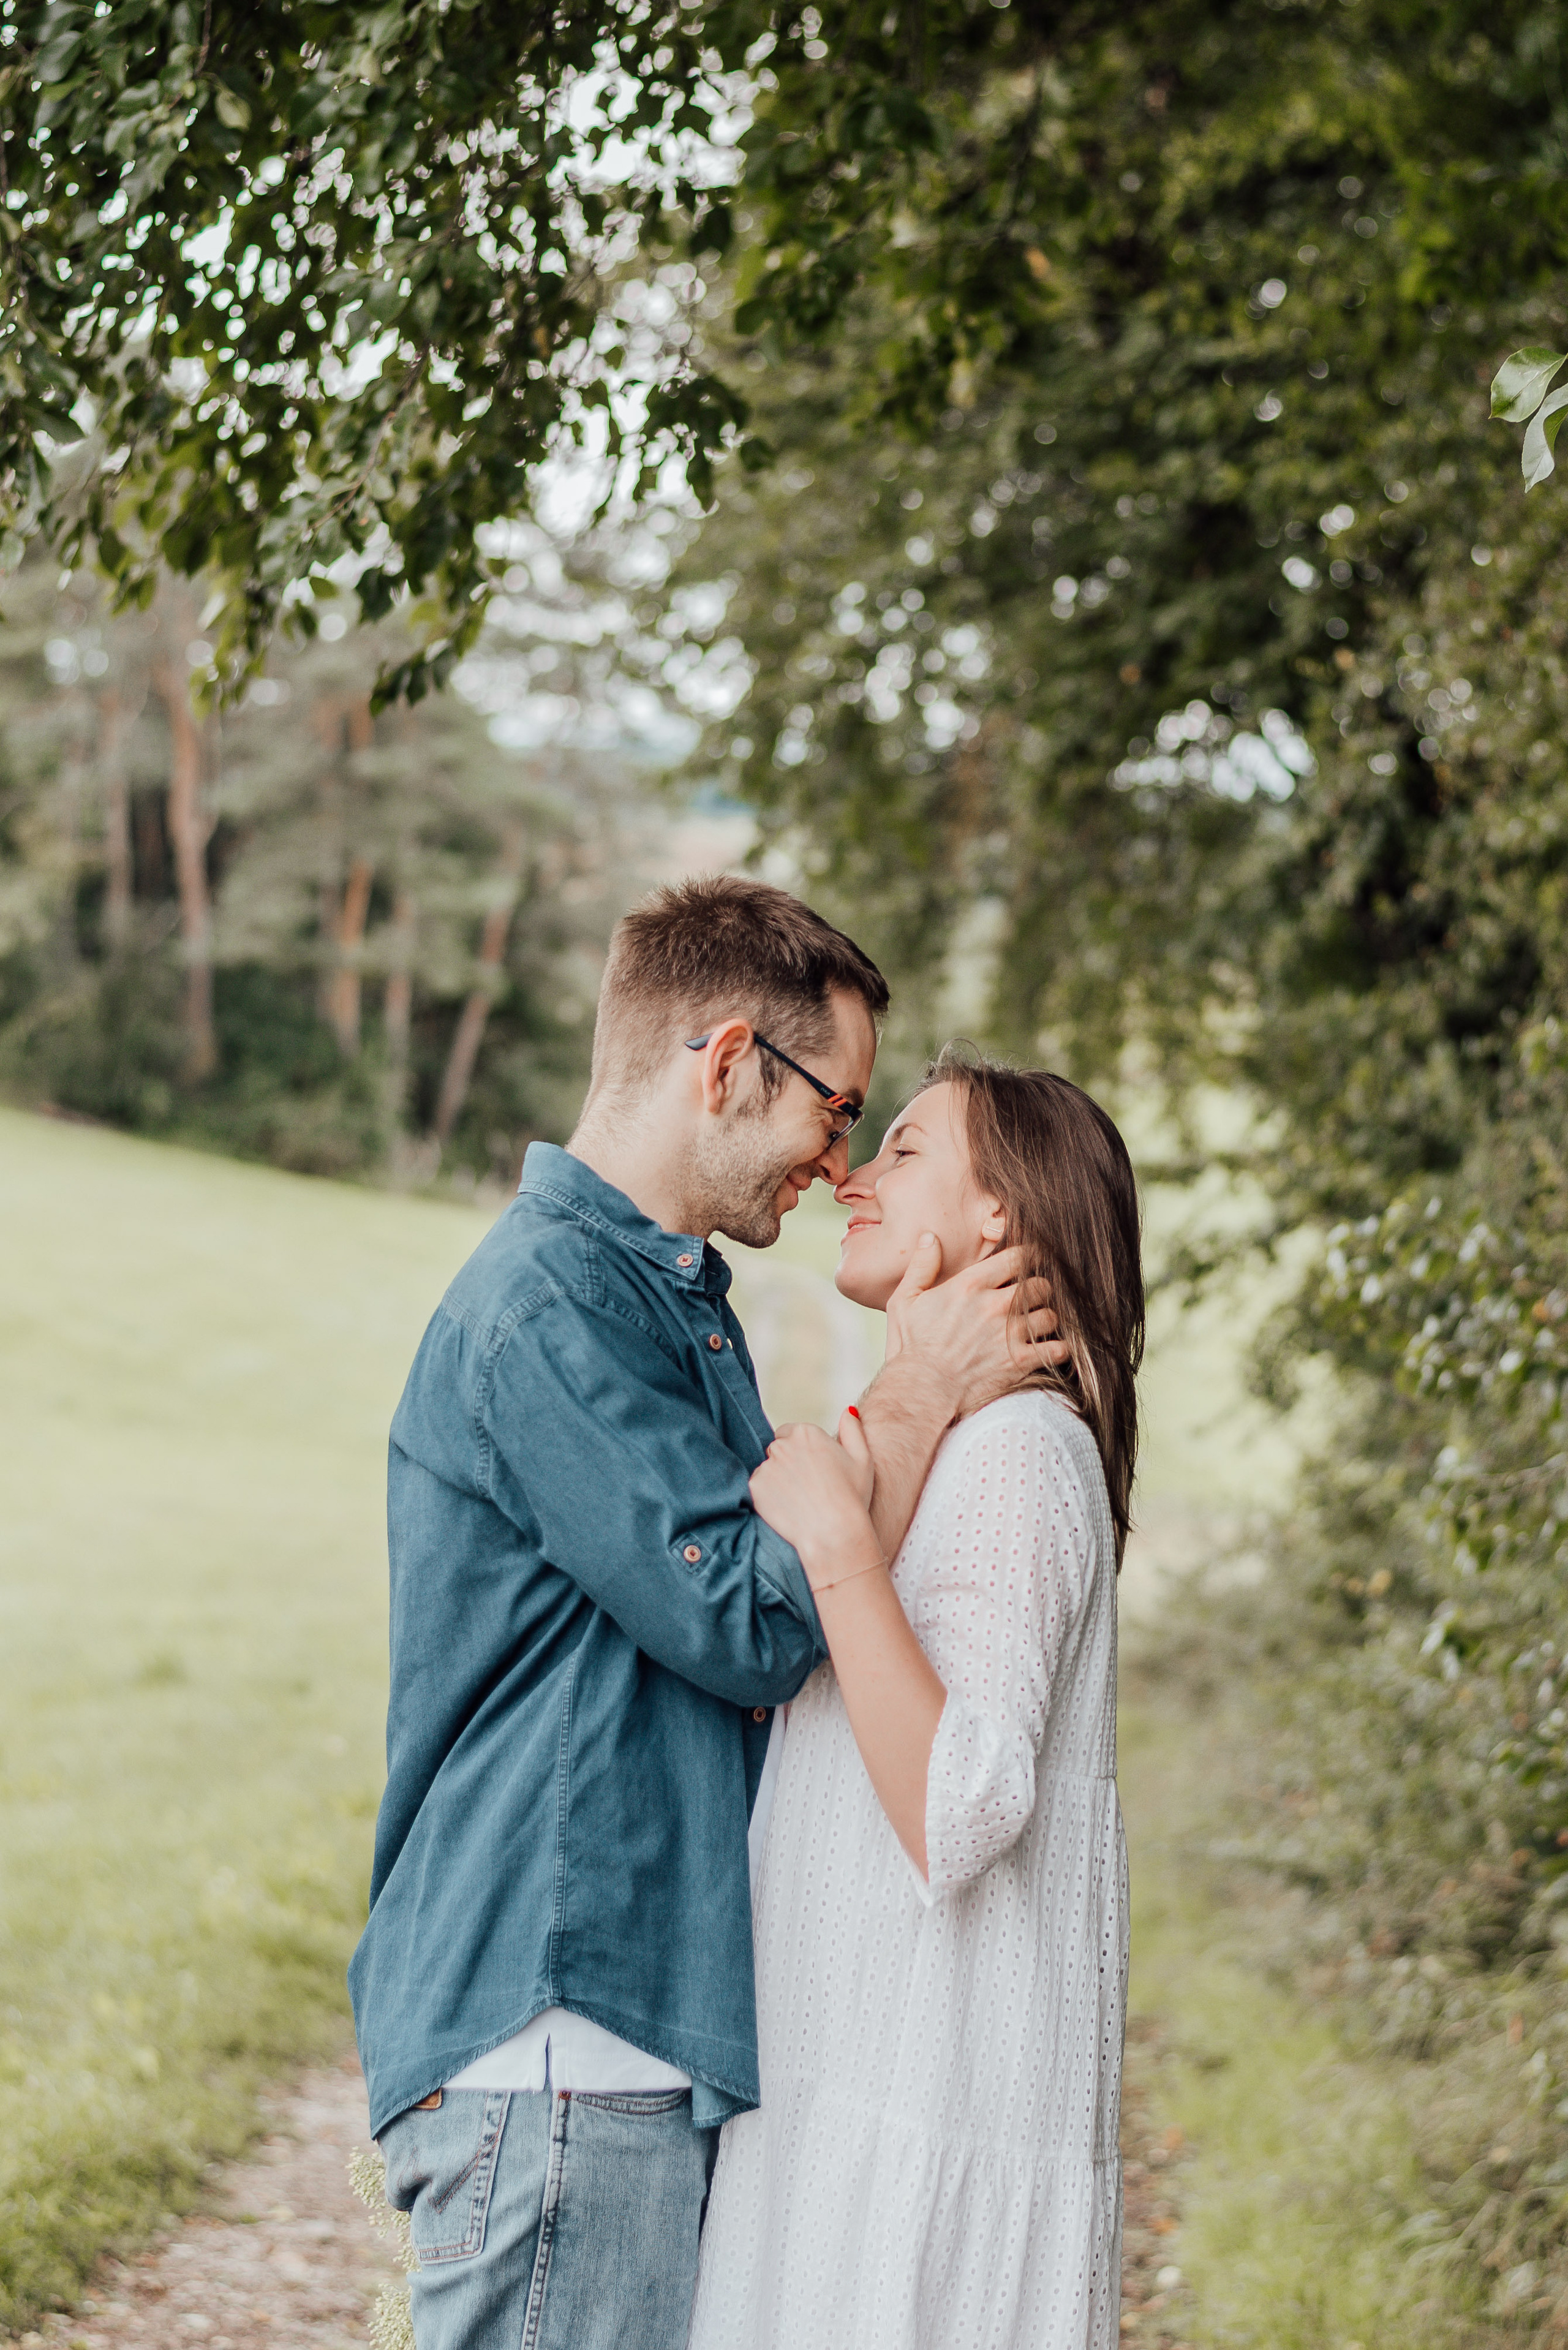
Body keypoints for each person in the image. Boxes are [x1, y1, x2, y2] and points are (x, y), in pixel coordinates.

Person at [349, 880, 1061, 2350]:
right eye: (833, 1107)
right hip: (556, 2028)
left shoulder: (671, 1304)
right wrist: (921, 1384)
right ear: (727, 1059)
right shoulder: (550, 1306)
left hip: (616, 2036)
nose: (840, 1159)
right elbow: (746, 1616)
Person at [687, 1048, 1145, 2350]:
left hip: (909, 2151)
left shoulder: (1016, 1455)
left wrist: (836, 1547)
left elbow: (960, 1805)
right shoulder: (953, 1449)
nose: (849, 1175)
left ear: (995, 1212)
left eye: (900, 1149)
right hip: (844, 2108)